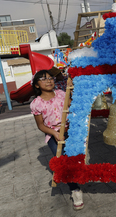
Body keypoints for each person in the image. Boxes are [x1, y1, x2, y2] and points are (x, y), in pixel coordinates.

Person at [30, 70, 84, 211]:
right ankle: (75, 190)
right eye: (43, 79)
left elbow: (73, 106)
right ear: (36, 85)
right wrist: (54, 132)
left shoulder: (61, 94)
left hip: (70, 131)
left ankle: (78, 176)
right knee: (63, 162)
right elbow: (41, 125)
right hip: (53, 136)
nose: (48, 81)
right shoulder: (36, 104)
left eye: (50, 78)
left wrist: (72, 89)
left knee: (75, 159)